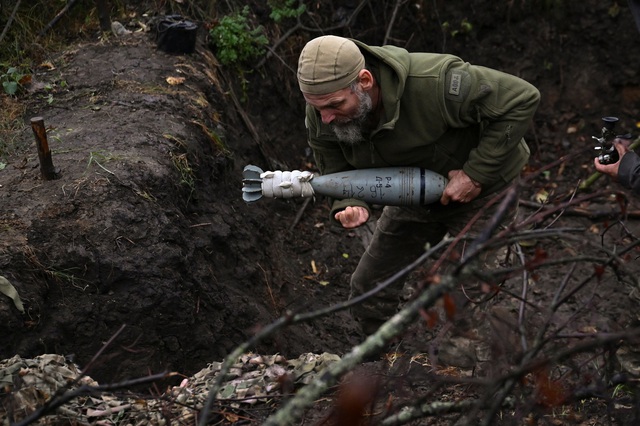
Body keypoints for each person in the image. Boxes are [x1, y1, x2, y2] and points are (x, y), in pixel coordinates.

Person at [297, 35, 540, 334]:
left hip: (483, 191)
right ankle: (379, 366)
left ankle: (465, 372)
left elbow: (521, 98)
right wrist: (351, 201)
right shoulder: (324, 109)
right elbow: (333, 163)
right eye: (317, 107)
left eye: (334, 105)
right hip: (412, 191)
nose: (326, 118)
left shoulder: (435, 82)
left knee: (465, 295)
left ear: (365, 80)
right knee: (368, 288)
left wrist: (476, 174)